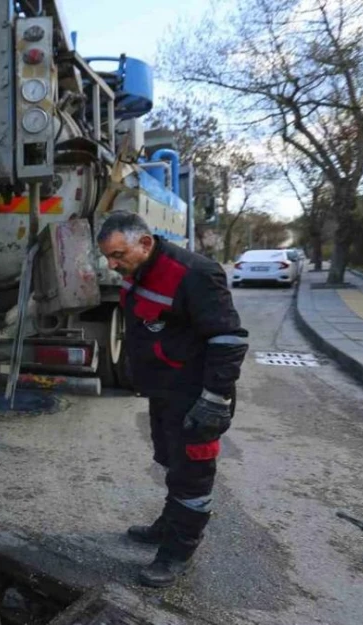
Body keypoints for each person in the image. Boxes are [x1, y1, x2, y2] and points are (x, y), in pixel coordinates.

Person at [97, 211, 249, 588]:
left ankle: (178, 551)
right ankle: (169, 525)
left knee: (193, 477)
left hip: (197, 396)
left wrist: (214, 400)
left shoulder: (195, 273)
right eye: (108, 258)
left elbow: (229, 339)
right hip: (165, 392)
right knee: (170, 461)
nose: (113, 265)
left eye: (118, 255)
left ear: (145, 243)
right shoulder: (139, 272)